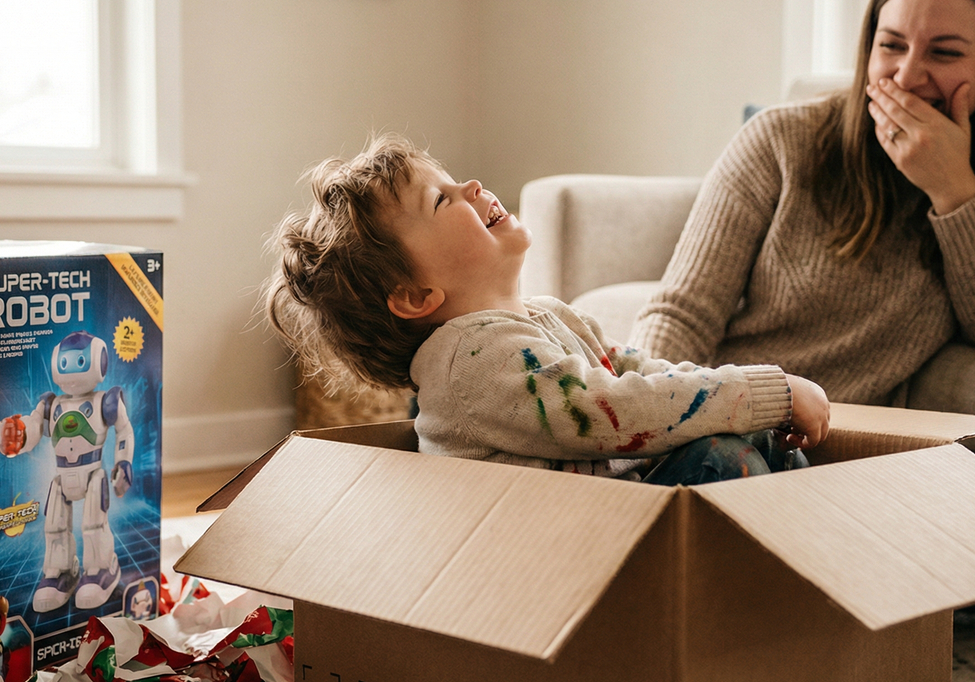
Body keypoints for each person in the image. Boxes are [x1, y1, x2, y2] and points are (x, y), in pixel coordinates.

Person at [631, 0, 975, 406]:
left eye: (943, 53)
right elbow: (681, 314)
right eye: (891, 45)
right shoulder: (779, 138)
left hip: (850, 434)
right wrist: (642, 413)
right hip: (733, 413)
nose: (906, 77)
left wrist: (954, 192)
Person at [266, 134, 829, 486]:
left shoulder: (552, 316)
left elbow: (641, 372)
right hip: (562, 562)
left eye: (454, 181)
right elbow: (607, 409)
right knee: (722, 458)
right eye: (441, 200)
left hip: (611, 523)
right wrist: (763, 392)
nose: (472, 185)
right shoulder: (467, 362)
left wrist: (753, 399)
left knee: (752, 434)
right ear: (416, 295)